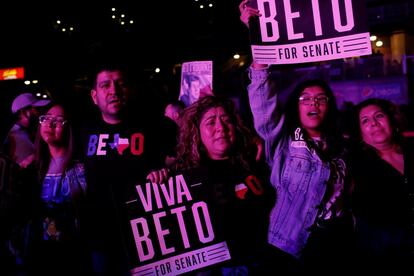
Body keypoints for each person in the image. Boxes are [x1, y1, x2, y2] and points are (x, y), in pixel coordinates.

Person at [239, 0, 354, 272]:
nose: (313, 104)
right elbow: (263, 106)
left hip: (335, 248)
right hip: (286, 249)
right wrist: (258, 44)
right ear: (296, 105)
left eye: (320, 99)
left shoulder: (344, 149)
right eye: (305, 98)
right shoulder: (281, 142)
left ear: (330, 106)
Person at [148, 95, 273, 274]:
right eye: (210, 122)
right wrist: (158, 179)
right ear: (197, 132)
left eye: (226, 120)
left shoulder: (256, 161)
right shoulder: (183, 176)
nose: (220, 128)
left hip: (257, 264)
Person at [79, 63, 168, 275]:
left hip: (145, 237)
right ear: (94, 96)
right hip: (99, 238)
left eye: (120, 84)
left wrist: (163, 171)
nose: (113, 91)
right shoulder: (82, 130)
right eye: (105, 85)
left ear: (129, 90)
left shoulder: (153, 127)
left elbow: (183, 154)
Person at [349, 98, 414, 273]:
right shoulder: (355, 164)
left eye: (379, 116)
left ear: (392, 120)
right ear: (360, 132)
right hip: (385, 259)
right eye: (365, 120)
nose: (374, 123)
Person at [23, 103, 88, 275]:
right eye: (46, 118)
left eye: (58, 120)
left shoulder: (82, 167)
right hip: (42, 254)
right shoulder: (33, 168)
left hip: (76, 253)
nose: (50, 124)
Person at [2, 93, 50, 168]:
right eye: (36, 109)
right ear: (23, 112)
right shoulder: (16, 136)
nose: (39, 112)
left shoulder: (27, 131)